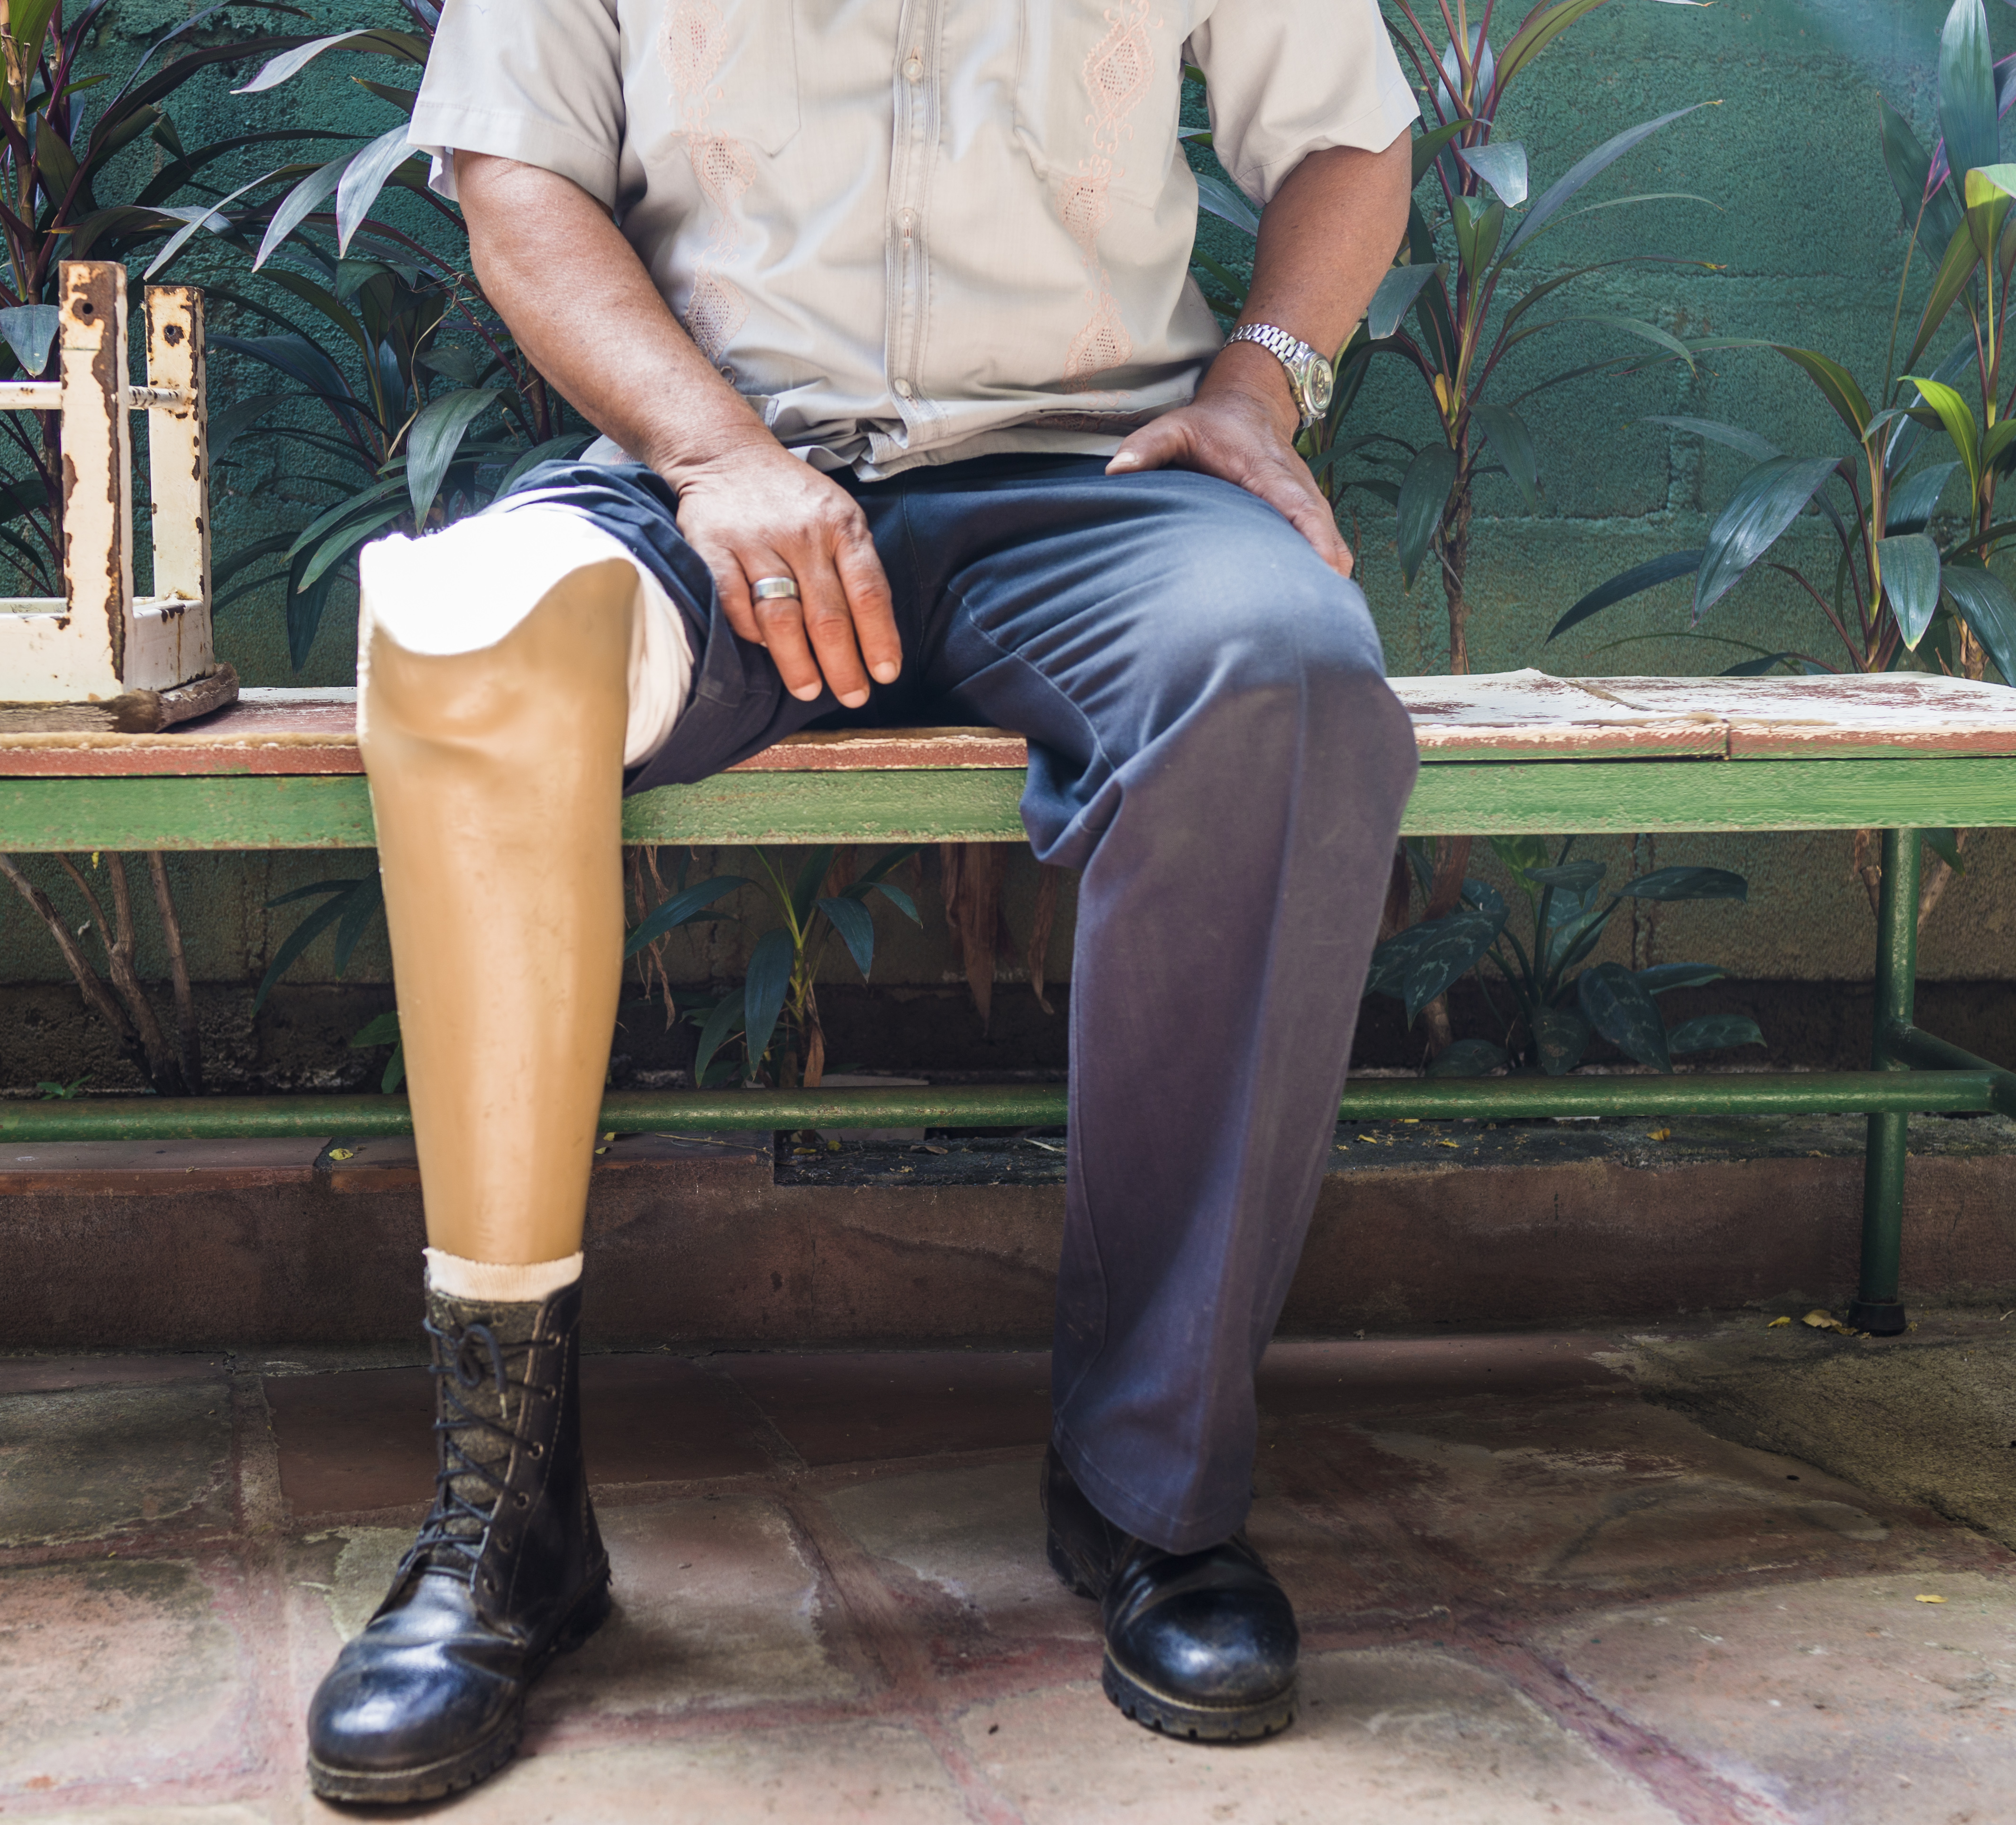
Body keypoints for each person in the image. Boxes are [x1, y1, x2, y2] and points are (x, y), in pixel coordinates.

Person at [302, 0, 1423, 1801]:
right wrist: (714, 451)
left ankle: (1151, 1497)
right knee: (473, 642)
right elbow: (517, 178)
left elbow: (1349, 131)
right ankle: (504, 1520)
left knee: (1283, 675)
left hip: (1090, 481)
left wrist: (1255, 384)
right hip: (701, 482)